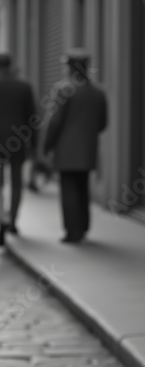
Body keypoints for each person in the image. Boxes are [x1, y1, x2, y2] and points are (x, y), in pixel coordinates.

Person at [44, 48, 108, 242]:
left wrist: (48, 145)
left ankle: (73, 231)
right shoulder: (98, 92)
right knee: (82, 186)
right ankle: (83, 226)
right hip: (88, 148)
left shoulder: (63, 89)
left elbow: (55, 122)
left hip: (66, 149)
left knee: (69, 188)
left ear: (70, 68)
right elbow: (103, 122)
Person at [0, 52, 37, 245]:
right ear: (11, 65)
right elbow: (32, 118)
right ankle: (13, 220)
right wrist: (34, 145)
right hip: (17, 140)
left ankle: (2, 217)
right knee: (17, 182)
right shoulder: (24, 87)